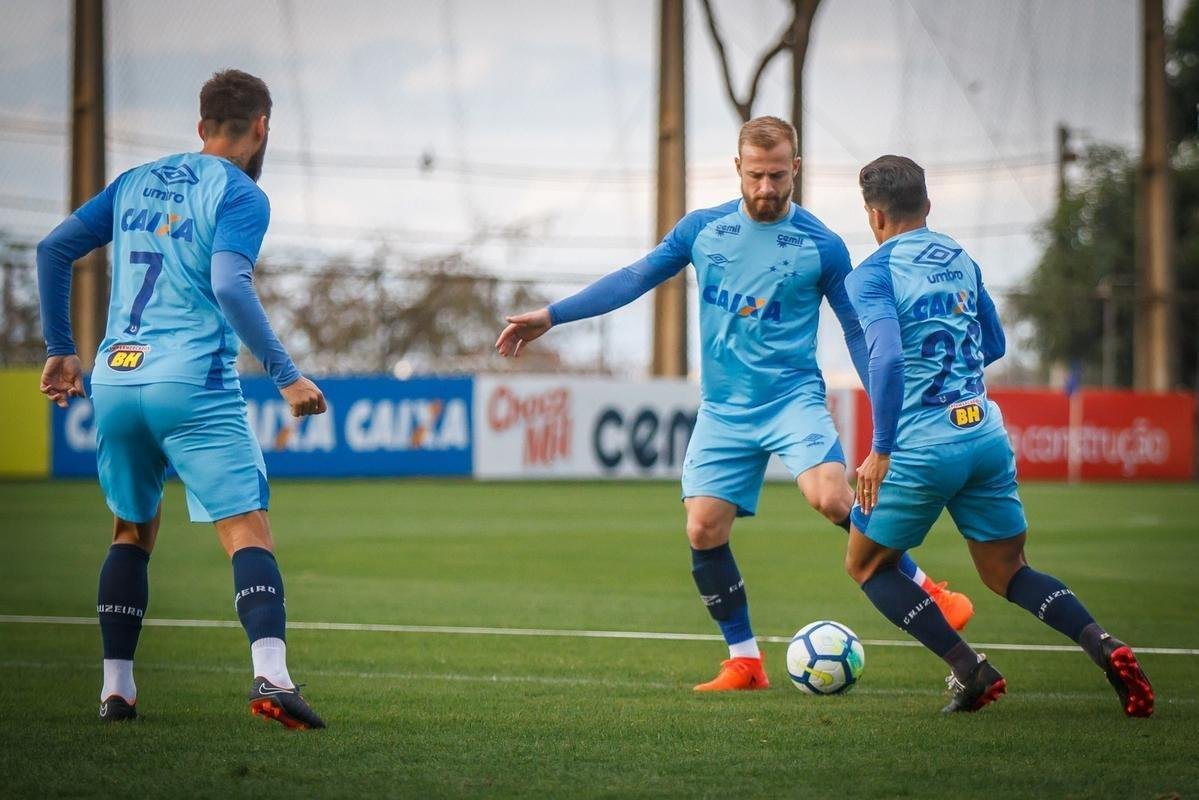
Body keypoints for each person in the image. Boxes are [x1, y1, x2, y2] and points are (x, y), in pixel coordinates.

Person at [495, 116, 973, 691]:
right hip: (723, 409)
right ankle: (744, 661)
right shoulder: (704, 229)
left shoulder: (822, 244)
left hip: (792, 398)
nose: (766, 188)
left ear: (794, 168)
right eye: (755, 175)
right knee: (702, 528)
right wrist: (552, 315)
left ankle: (930, 589)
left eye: (777, 175)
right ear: (737, 169)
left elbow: (854, 330)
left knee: (829, 496)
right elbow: (635, 277)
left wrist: (888, 409)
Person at [36, 69, 327, 729]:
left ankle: (117, 690)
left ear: (200, 128)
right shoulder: (241, 193)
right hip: (191, 379)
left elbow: (53, 249)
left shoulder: (134, 181)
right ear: (261, 129)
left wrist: (61, 348)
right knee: (245, 526)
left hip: (114, 376)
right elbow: (230, 285)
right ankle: (273, 677)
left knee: (131, 532)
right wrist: (285, 374)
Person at [843, 154, 1153, 716]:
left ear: (874, 216)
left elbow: (885, 356)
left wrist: (881, 448)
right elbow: (994, 345)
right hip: (983, 431)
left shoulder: (872, 274)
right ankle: (1104, 645)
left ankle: (969, 669)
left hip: (922, 445)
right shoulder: (960, 257)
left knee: (868, 565)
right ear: (928, 207)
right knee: (1009, 570)